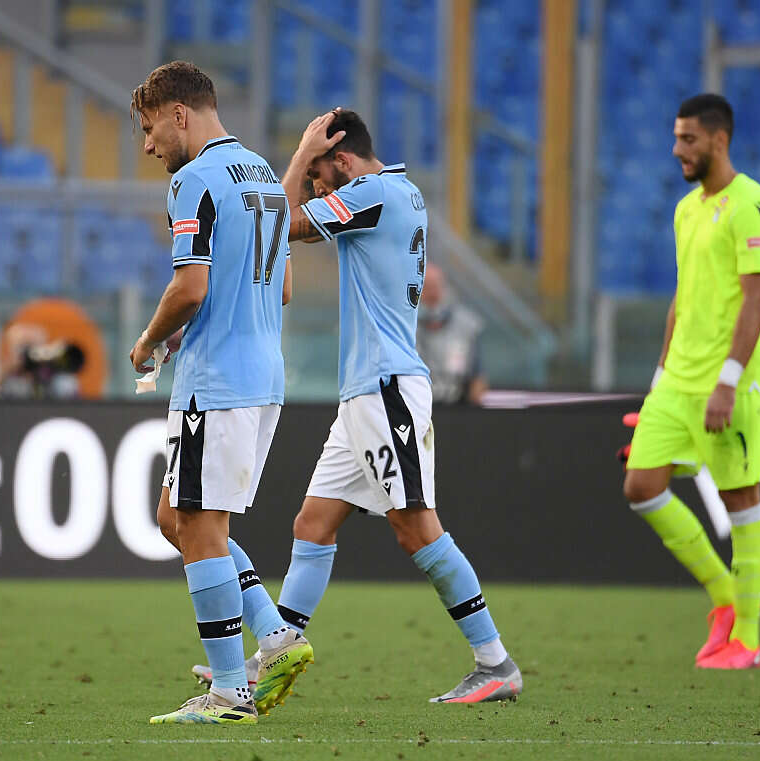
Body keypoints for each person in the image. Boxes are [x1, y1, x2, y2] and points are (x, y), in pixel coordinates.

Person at [201, 109, 521, 703]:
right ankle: (273, 655)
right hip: (364, 393)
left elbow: (278, 225)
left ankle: (494, 661)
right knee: (313, 524)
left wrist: (299, 155)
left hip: (386, 389)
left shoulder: (373, 194)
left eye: (320, 176)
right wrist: (309, 165)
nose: (316, 186)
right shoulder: (400, 192)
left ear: (342, 160)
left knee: (416, 528)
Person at [128, 60, 310, 725]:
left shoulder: (194, 180)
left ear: (179, 114)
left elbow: (190, 286)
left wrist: (149, 340)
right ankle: (276, 635)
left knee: (201, 529)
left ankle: (230, 692)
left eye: (151, 128)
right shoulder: (261, 174)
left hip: (218, 381)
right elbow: (280, 288)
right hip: (263, 377)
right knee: (174, 518)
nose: (149, 146)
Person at [623, 94, 760, 670]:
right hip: (677, 382)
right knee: (641, 486)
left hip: (730, 383)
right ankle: (724, 597)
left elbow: (757, 299)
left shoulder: (753, 205)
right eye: (675, 137)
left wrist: (728, 381)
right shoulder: (687, 208)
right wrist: (658, 381)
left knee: (742, 500)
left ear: (719, 139)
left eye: (687, 139)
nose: (677, 149)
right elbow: (682, 297)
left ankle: (749, 639)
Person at [416, 263, 488, 405]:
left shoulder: (466, 325)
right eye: (426, 287)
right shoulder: (405, 327)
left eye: (435, 287)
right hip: (416, 405)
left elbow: (477, 377)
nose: (432, 294)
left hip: (457, 406)